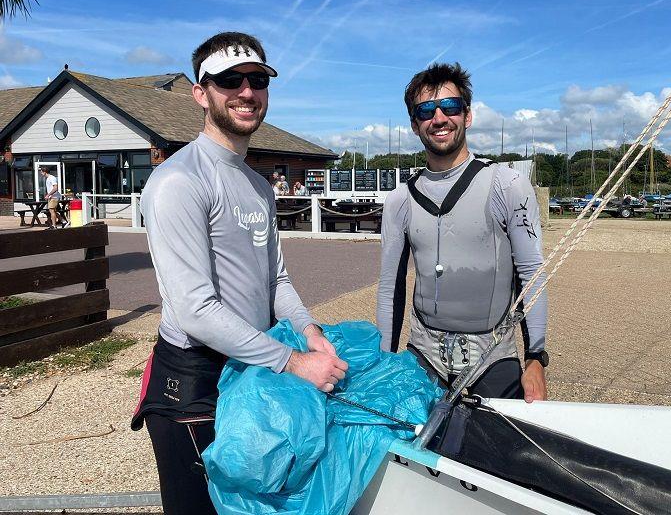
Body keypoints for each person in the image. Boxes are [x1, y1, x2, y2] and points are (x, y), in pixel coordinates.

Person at [131, 32, 348, 515]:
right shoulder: (178, 182)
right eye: (229, 80)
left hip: (250, 370)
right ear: (200, 92)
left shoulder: (257, 186)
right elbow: (195, 310)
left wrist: (309, 331)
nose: (246, 92)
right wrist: (293, 363)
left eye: (256, 80)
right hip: (194, 384)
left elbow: (277, 280)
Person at [376, 62, 548, 403]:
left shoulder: (507, 185)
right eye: (426, 111)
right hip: (424, 352)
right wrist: (385, 361)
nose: (439, 118)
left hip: (493, 352)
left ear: (467, 116)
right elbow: (390, 287)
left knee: (505, 451)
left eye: (450, 107)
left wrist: (536, 359)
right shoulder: (399, 200)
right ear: (414, 124)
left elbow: (531, 273)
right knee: (412, 450)